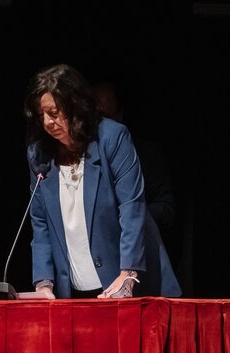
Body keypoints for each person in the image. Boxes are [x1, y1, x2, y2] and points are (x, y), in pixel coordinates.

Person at [23, 63, 182, 299]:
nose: (47, 122)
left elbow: (132, 208)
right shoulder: (39, 154)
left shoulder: (112, 138)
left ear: (75, 105)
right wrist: (43, 284)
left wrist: (128, 274)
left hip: (128, 284)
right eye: (40, 115)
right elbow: (40, 222)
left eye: (54, 113)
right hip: (74, 290)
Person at [91, 79, 177, 231]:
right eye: (93, 116)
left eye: (105, 117)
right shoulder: (72, 152)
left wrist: (130, 215)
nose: (99, 125)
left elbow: (165, 208)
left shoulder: (146, 153)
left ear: (119, 116)